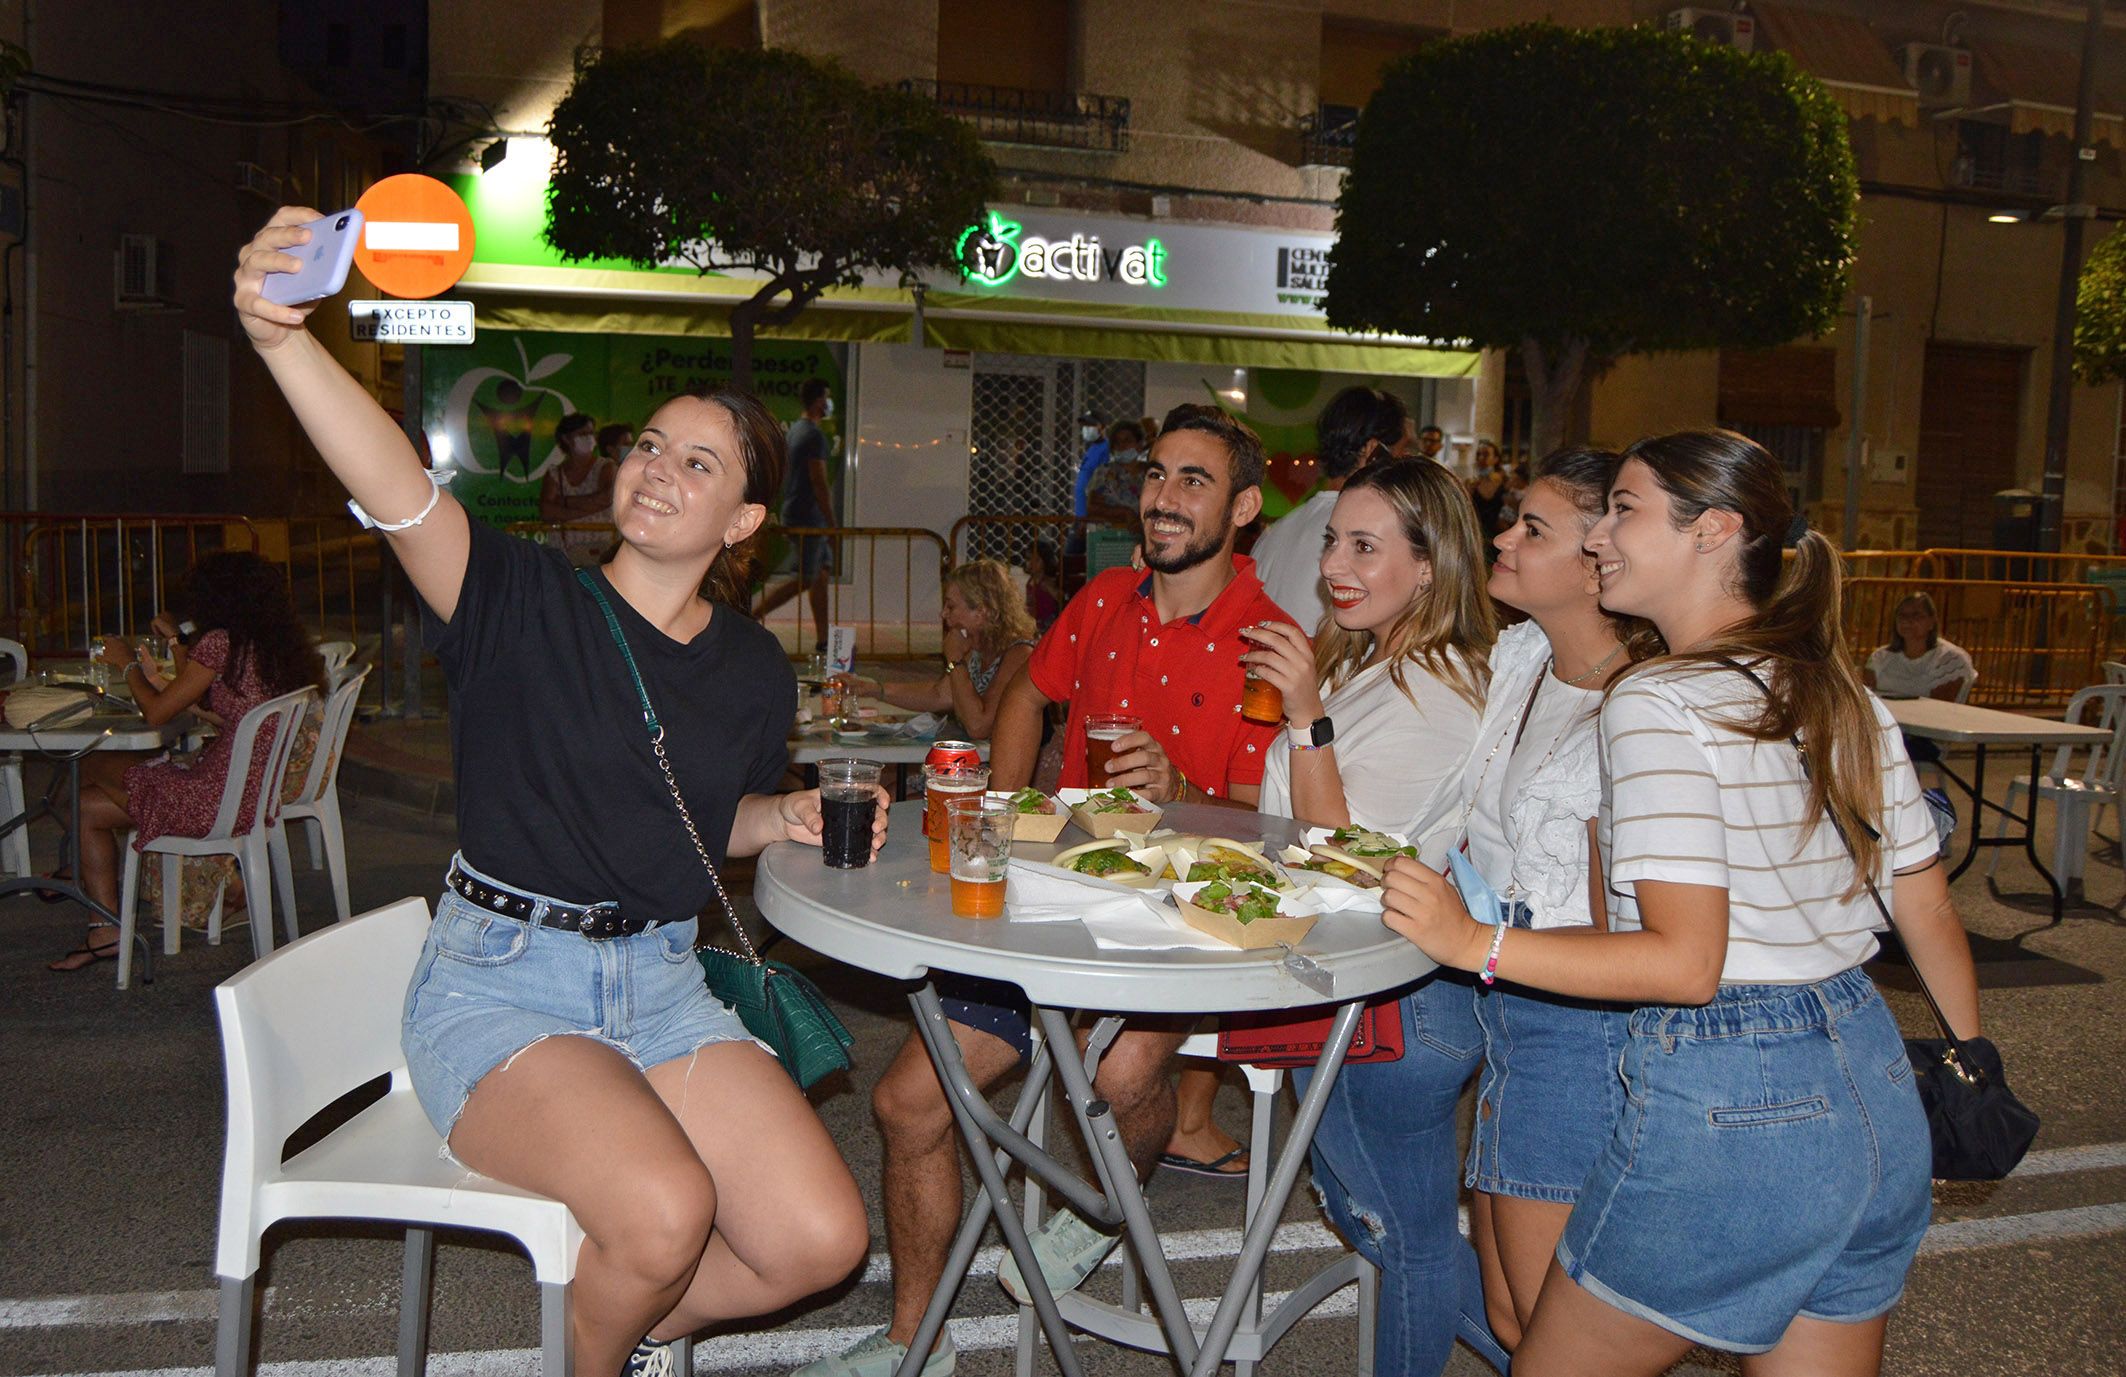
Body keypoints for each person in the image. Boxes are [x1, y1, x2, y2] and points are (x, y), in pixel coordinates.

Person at [234, 209, 876, 1377]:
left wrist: (773, 817)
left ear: (739, 523)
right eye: (648, 445)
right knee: (666, 1209)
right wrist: (284, 341)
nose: (656, 469)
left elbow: (690, 819)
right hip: (502, 987)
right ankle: (592, 1346)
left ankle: (598, 1324)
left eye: (698, 462)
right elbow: (397, 490)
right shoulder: (520, 597)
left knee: (818, 1240)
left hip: (663, 984)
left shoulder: (748, 668)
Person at [1379, 428, 1982, 1375]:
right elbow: (1927, 910)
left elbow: (1685, 962)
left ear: (1715, 532)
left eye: (1626, 510)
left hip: (1736, 1095)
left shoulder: (1657, 701)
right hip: (1869, 1080)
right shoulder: (1840, 689)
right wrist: (1972, 1065)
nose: (1602, 538)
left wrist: (1472, 943)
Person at [797, 404, 1296, 1377]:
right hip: (1049, 907)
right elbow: (1026, 689)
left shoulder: (1266, 638)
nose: (1162, 496)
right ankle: (915, 1344)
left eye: (1193, 481)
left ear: (1241, 508)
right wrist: (1004, 800)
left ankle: (1116, 1201)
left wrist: (1180, 793)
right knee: (907, 1105)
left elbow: (1270, 820)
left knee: (1114, 1076)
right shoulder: (1105, 595)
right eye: (1156, 475)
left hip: (1175, 924)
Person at [1237, 458, 1501, 1376]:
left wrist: (1307, 717)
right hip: (1355, 980)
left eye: (1364, 545)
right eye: (1333, 541)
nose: (1334, 565)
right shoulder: (1375, 660)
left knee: (1404, 1230)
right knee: (1369, 1212)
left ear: (1430, 566)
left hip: (1403, 998)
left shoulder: (1440, 686)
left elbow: (1337, 855)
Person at [1450, 447, 1647, 1355]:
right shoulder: (1523, 653)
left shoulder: (1636, 712)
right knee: (1510, 1318)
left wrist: (1481, 939)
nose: (1505, 536)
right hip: (1505, 1010)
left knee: (1556, 1337)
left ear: (1597, 556)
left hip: (1576, 1032)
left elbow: (1631, 929)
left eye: (1535, 528)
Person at [46, 553, 325, 972]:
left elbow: (158, 713)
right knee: (85, 801)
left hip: (217, 798)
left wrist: (125, 663)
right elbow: (216, 704)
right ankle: (103, 922)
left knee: (84, 769)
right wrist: (178, 646)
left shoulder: (222, 642)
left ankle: (97, 902)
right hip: (250, 788)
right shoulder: (271, 646)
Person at [1251, 385, 1411, 629]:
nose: (1405, 463)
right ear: (1373, 451)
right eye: (1401, 452)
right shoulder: (1372, 535)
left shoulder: (1276, 532)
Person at [838, 559, 1036, 740]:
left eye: (951, 606)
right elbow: (939, 695)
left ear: (981, 612)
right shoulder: (976, 649)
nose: (943, 614)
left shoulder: (1019, 655)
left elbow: (979, 726)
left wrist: (955, 659)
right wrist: (872, 689)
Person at [753, 379, 838, 652]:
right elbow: (819, 482)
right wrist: (832, 522)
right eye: (827, 397)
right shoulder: (814, 436)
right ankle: (750, 617)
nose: (829, 403)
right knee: (804, 577)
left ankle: (825, 640)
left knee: (820, 576)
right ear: (818, 402)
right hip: (809, 517)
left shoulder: (796, 431)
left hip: (798, 511)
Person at [541, 413, 622, 566]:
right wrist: (592, 507)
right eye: (583, 434)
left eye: (592, 433)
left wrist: (564, 502)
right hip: (564, 555)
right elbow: (546, 512)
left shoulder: (606, 467)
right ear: (566, 439)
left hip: (602, 552)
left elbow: (607, 498)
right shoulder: (555, 473)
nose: (589, 438)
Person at [1084, 420, 1148, 531]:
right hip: (1110, 539)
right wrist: (1124, 513)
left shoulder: (1151, 473)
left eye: (1127, 440)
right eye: (1117, 442)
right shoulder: (1104, 473)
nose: (1122, 446)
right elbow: (1091, 508)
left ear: (1139, 445)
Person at [1065, 409, 1109, 556]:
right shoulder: (1093, 448)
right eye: (1085, 425)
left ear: (1102, 426)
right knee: (1071, 562)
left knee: (1071, 559)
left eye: (1091, 425)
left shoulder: (1106, 449)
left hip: (1090, 518)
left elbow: (1101, 484)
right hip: (1082, 516)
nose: (1086, 429)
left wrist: (1087, 517)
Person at [1468, 438, 1508, 545]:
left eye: (1486, 455)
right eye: (1478, 454)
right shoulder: (1471, 483)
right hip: (1477, 537)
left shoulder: (1505, 483)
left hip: (1499, 537)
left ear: (1495, 459)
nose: (1481, 458)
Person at [1022, 537, 1064, 631]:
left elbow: (1060, 597)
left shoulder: (1046, 581)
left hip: (1048, 621)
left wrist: (1051, 590)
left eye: (1036, 560)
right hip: (1035, 620)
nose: (1031, 564)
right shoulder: (1031, 580)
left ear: (1045, 561)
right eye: (1029, 559)